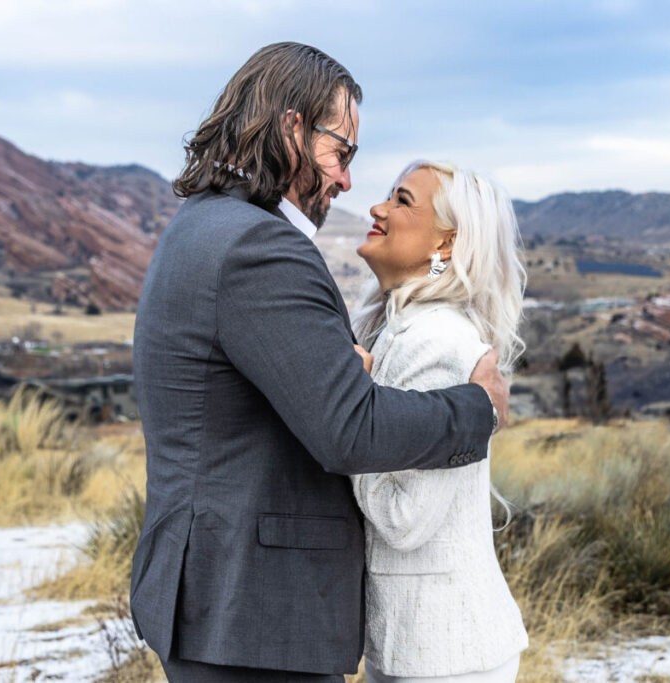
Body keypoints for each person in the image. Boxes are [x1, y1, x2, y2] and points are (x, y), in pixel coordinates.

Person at [129, 42, 510, 682]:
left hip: (228, 605)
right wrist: (477, 410)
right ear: (292, 130)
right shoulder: (259, 246)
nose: (348, 182)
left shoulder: (203, 224)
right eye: (343, 152)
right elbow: (348, 430)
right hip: (254, 612)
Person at [350, 161, 529, 682]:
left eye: (402, 201)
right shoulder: (403, 332)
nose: (378, 209)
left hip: (445, 654)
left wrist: (350, 411)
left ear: (446, 246)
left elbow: (406, 519)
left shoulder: (434, 344)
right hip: (423, 647)